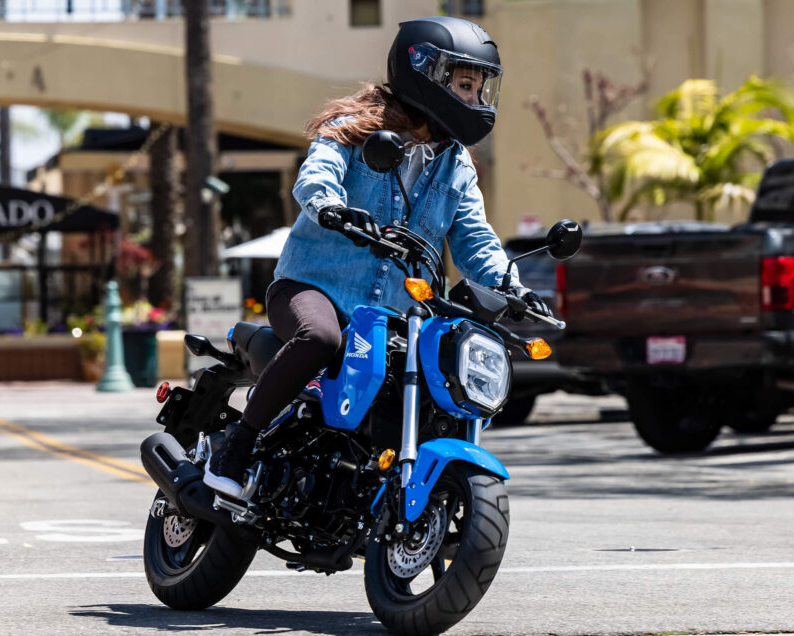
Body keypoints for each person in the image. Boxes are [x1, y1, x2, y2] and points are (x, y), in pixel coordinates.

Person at [204, 15, 553, 497]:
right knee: (320, 337)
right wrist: (329, 206)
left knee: (438, 374)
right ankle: (238, 447)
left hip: (392, 314)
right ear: (424, 72)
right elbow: (316, 175)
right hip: (313, 288)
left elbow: (475, 242)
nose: (474, 101)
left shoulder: (457, 167)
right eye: (465, 85)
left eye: (479, 89)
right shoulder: (353, 131)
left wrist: (515, 286)